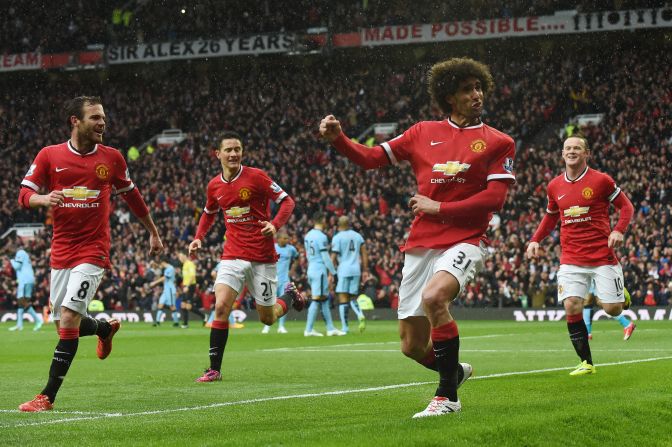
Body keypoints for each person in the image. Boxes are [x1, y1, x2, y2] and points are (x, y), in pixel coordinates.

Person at [320, 57, 515, 417]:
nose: (477, 94)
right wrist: (340, 140)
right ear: (449, 97)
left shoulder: (498, 142)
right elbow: (372, 158)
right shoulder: (422, 132)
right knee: (411, 345)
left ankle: (447, 398)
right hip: (421, 244)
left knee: (434, 298)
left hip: (467, 239)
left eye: (478, 87)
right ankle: (454, 372)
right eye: (466, 89)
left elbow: (495, 198)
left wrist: (438, 208)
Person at [17, 96, 163, 412]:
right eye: (95, 117)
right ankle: (103, 328)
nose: (102, 123)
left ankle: (47, 397)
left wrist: (152, 231)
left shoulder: (112, 158)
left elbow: (132, 197)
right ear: (75, 121)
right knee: (63, 326)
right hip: (61, 252)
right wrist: (42, 200)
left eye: (103, 118)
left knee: (68, 318)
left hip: (93, 250)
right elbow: (24, 194)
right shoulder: (49, 155)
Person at [188, 131, 305, 382]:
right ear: (217, 154)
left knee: (268, 317)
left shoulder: (257, 177)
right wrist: (199, 236)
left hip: (262, 256)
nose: (233, 154)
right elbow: (209, 212)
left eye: (237, 149)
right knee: (220, 307)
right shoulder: (214, 185)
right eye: (228, 150)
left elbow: (287, 202)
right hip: (232, 254)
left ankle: (290, 295)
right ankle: (214, 369)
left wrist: (274, 225)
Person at [526, 134, 634, 376]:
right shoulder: (554, 185)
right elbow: (551, 216)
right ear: (562, 153)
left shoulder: (601, 180)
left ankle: (621, 297)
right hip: (571, 258)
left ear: (587, 154)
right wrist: (535, 239)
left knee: (613, 309)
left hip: (601, 256)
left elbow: (626, 207)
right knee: (572, 306)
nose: (572, 151)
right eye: (568, 148)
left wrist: (618, 230)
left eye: (577, 148)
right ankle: (586, 362)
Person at [303, 212, 344, 337]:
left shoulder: (308, 235)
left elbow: (307, 254)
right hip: (319, 270)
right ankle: (308, 330)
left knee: (324, 300)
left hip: (311, 268)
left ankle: (330, 328)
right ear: (322, 221)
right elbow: (325, 257)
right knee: (317, 299)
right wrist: (333, 272)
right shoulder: (321, 236)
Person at [331, 215, 368, 333]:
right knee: (353, 297)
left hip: (343, 269)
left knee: (343, 298)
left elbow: (333, 256)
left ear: (339, 225)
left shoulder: (337, 237)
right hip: (356, 270)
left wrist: (330, 272)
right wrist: (365, 270)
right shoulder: (358, 236)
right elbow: (364, 254)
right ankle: (360, 314)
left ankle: (345, 327)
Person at [262, 232, 299, 334]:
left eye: (287, 238)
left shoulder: (291, 249)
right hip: (272, 279)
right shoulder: (272, 247)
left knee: (284, 303)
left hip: (284, 280)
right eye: (284, 238)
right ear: (278, 239)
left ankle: (281, 326)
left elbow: (297, 258)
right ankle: (267, 326)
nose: (287, 240)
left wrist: (292, 270)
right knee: (269, 303)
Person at [8, 240, 43, 331]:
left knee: (22, 301)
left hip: (25, 280)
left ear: (15, 247)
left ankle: (38, 320)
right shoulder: (24, 254)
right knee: (22, 303)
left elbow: (17, 267)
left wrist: (11, 260)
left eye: (11, 247)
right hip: (28, 279)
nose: (10, 249)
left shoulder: (20, 252)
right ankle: (19, 325)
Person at [178, 252, 205, 328]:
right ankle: (185, 324)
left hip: (190, 286)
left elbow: (193, 276)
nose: (180, 259)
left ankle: (204, 316)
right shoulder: (184, 265)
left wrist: (188, 286)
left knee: (189, 306)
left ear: (185, 256)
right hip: (186, 286)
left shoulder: (190, 264)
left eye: (181, 256)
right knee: (183, 305)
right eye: (179, 257)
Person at [150, 258, 179, 327]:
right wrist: (155, 265)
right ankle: (157, 322)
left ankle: (176, 322)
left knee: (172, 306)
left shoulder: (170, 268)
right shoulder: (167, 268)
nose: (160, 265)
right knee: (160, 304)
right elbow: (159, 267)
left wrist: (154, 283)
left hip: (170, 290)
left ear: (163, 262)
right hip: (165, 290)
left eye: (161, 263)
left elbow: (165, 278)